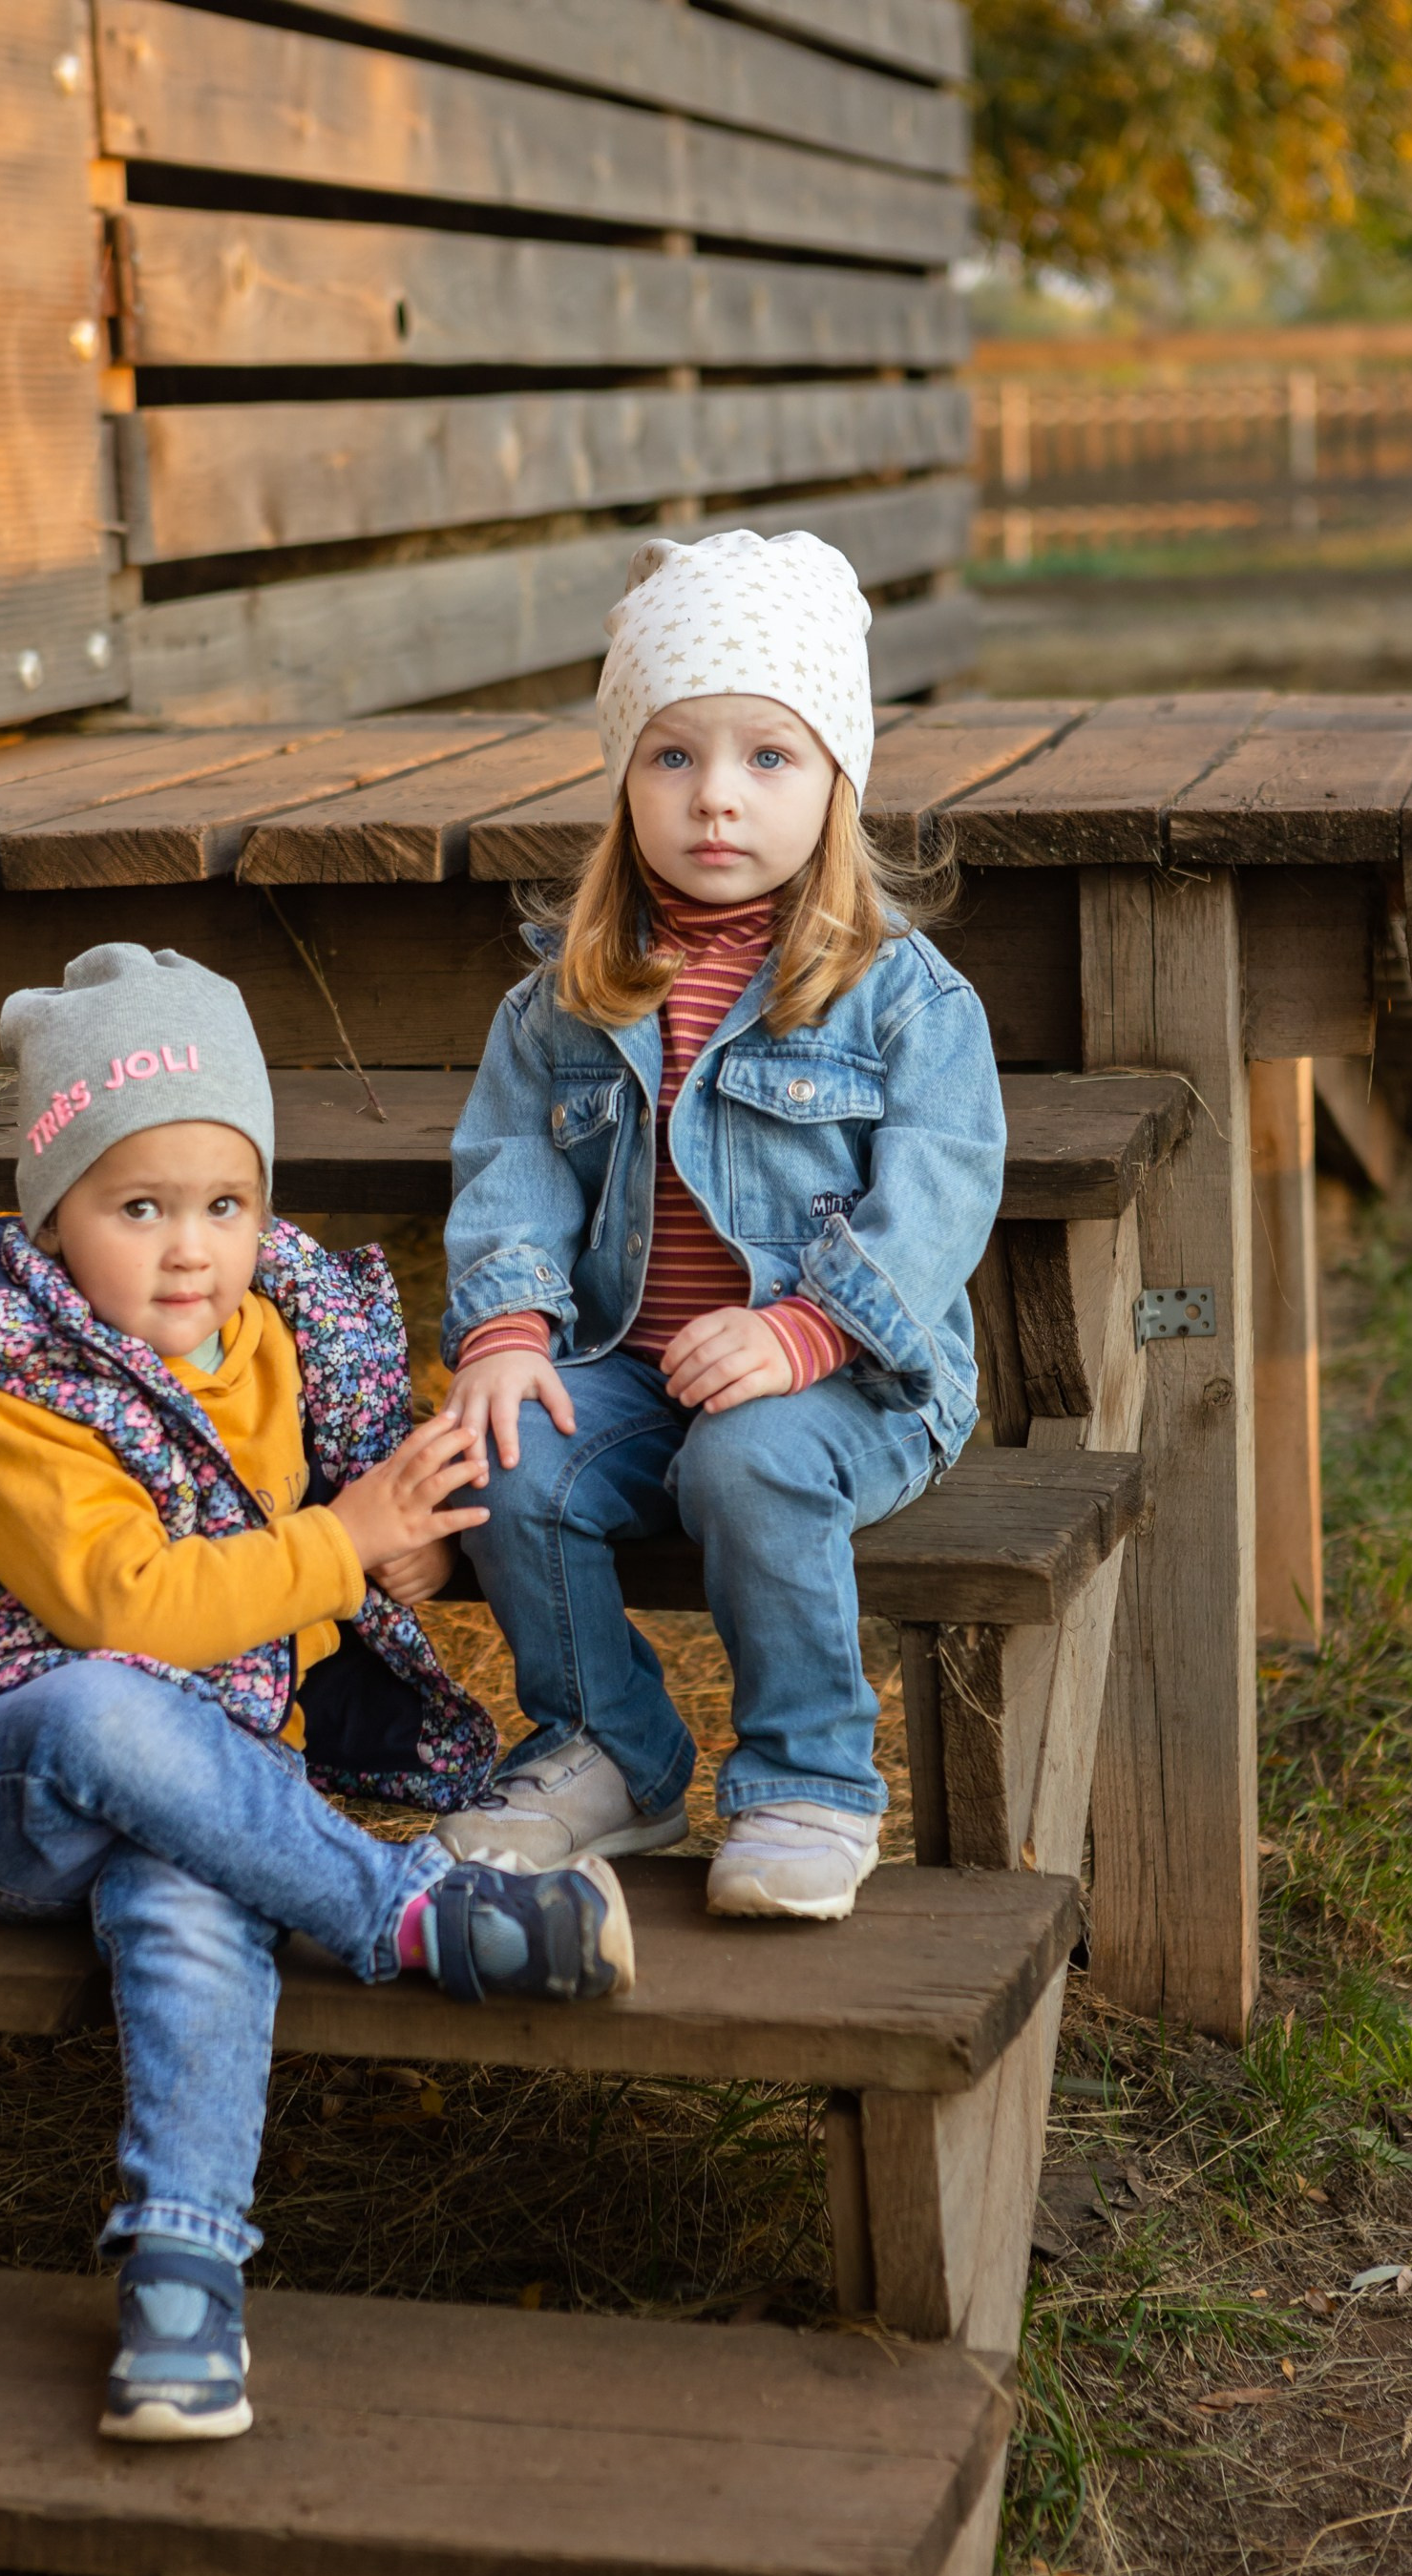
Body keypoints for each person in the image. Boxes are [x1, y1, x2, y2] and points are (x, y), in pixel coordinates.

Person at [0, 942, 634, 2446]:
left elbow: (317, 1562)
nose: (190, 1249)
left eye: (226, 1204)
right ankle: (404, 1913)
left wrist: (398, 1563)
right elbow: (129, 1611)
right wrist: (340, 1544)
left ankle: (182, 2286)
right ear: (53, 1215)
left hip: (206, 1780)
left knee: (192, 1897)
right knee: (108, 1711)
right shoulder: (6, 1390)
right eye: (137, 1208)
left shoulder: (279, 1344)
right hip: (5, 1768)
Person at [439, 530, 1005, 1922]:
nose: (714, 799)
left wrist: (810, 1328)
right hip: (643, 1365)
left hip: (856, 1379)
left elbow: (944, 1189)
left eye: (769, 758)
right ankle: (607, 1752)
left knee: (749, 1464)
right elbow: (512, 1168)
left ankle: (810, 1778)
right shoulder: (565, 1001)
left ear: (836, 783)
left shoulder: (901, 999)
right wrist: (508, 1333)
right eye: (672, 757)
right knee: (514, 1460)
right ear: (625, 779)